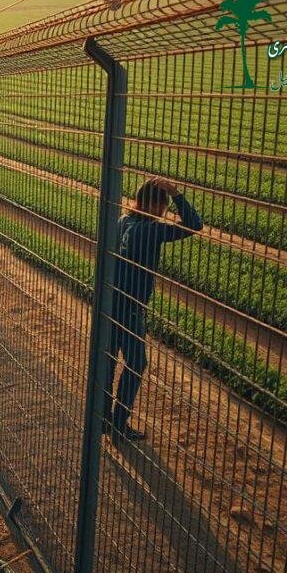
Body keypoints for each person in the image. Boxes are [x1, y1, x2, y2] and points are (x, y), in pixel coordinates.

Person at [104, 178, 202, 441]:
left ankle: (103, 418)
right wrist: (177, 194)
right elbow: (195, 225)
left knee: (110, 359)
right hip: (131, 307)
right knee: (136, 363)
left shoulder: (123, 221)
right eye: (164, 205)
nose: (164, 211)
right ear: (154, 204)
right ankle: (119, 425)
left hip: (111, 301)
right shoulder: (152, 230)